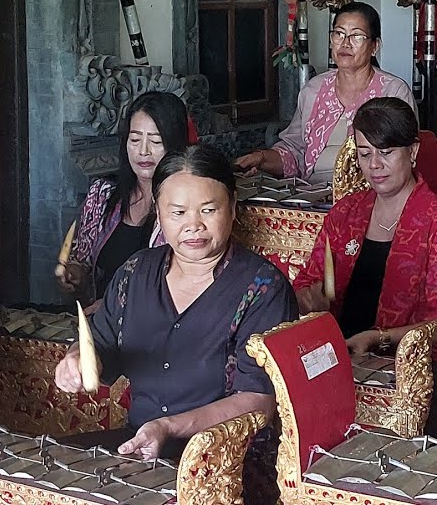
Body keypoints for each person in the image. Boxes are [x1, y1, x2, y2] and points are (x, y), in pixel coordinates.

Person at [54, 145, 297, 502]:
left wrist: (168, 427)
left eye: (208, 210)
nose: (193, 225)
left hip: (227, 465)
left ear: (232, 208)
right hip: (140, 447)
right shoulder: (136, 274)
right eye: (178, 212)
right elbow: (99, 343)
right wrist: (77, 359)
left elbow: (258, 400)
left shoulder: (262, 288)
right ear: (159, 213)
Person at [292, 98, 437, 436]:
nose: (374, 165)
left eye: (386, 152)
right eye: (364, 153)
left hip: (413, 357)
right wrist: (307, 297)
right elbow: (308, 282)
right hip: (342, 349)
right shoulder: (346, 212)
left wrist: (380, 340)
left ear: (412, 152)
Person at [234, 2, 415, 185]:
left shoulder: (393, 91)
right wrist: (262, 158)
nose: (345, 43)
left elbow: (402, 159)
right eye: (339, 34)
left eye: (357, 36)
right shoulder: (313, 90)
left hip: (369, 195)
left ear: (374, 46)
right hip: (312, 194)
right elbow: (294, 152)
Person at [58, 92, 192, 303]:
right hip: (97, 324)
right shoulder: (102, 195)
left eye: (156, 141)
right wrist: (76, 276)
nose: (143, 151)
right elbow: (83, 263)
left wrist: (114, 309)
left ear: (174, 145)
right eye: (135, 139)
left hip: (150, 330)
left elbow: (185, 288)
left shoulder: (188, 208)